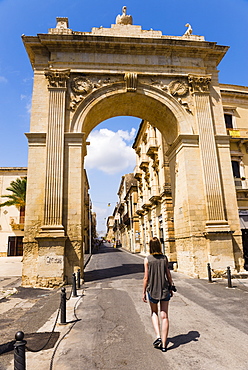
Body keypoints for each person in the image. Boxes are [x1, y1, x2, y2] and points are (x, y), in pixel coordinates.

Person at [142, 237, 174, 352]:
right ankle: (164, 345)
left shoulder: (147, 260)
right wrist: (171, 286)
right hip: (164, 289)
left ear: (150, 246)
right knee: (164, 316)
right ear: (160, 246)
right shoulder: (165, 258)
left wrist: (143, 291)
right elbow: (168, 275)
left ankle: (158, 337)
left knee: (154, 312)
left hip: (152, 290)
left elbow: (146, 277)